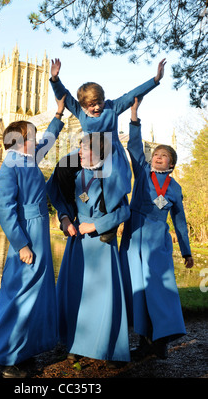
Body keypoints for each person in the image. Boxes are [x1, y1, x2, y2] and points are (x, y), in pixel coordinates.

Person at [0, 95, 66, 378]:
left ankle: (24, 351)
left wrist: (58, 115)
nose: (36, 140)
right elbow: (5, 209)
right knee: (20, 293)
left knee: (37, 292)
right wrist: (21, 245)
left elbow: (49, 139)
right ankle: (6, 359)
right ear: (19, 141)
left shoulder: (28, 159)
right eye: (31, 136)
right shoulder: (11, 165)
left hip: (40, 230)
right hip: (27, 234)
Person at [119, 98, 194, 360]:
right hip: (134, 238)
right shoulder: (141, 173)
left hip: (158, 243)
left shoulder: (174, 188)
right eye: (156, 155)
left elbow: (180, 221)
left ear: (171, 164)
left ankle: (162, 339)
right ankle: (144, 342)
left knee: (159, 291)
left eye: (164, 156)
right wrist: (134, 117)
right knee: (138, 290)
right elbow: (135, 146)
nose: (158, 157)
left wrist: (187, 251)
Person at [46, 132, 131, 364]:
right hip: (77, 245)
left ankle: (105, 345)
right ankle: (75, 343)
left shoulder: (110, 177)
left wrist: (96, 225)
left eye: (84, 149)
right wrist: (64, 219)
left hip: (102, 245)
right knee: (76, 293)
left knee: (101, 297)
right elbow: (63, 201)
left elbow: (124, 211)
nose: (79, 153)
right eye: (79, 148)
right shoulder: (75, 174)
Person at [50, 58, 166, 219]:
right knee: (63, 167)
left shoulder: (112, 108)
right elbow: (64, 95)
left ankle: (107, 215)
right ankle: (70, 205)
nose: (97, 107)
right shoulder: (80, 112)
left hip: (110, 153)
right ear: (84, 105)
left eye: (99, 103)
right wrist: (55, 79)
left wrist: (155, 79)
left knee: (110, 179)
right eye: (92, 105)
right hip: (88, 152)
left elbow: (132, 94)